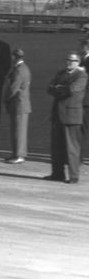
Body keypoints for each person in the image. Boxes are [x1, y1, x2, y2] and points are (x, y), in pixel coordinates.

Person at [43, 51, 86, 184]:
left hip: (72, 116)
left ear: (78, 62)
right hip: (58, 114)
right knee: (56, 146)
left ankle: (73, 176)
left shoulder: (82, 75)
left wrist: (59, 88)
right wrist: (60, 88)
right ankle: (57, 173)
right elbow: (49, 88)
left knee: (72, 148)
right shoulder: (61, 73)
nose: (69, 62)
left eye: (72, 61)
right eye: (67, 60)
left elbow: (71, 90)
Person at [2, 48, 32, 164]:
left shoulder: (18, 70)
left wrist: (5, 98)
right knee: (17, 130)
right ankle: (17, 153)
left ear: (14, 57)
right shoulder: (22, 68)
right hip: (20, 103)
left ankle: (19, 155)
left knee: (18, 131)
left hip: (18, 104)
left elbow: (13, 88)